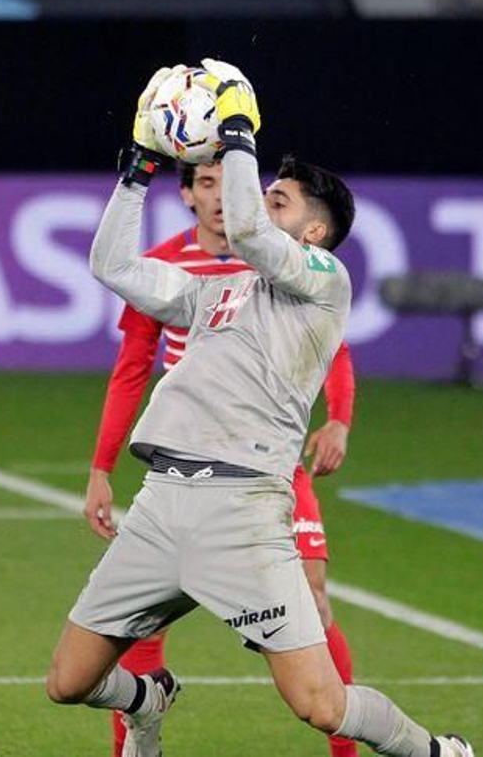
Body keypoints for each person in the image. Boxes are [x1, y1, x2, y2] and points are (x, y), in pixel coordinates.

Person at [44, 60, 473, 757]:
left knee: (320, 703)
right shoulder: (217, 292)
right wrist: (138, 168)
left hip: (242, 514)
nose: (255, 202)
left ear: (312, 235)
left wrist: (239, 128)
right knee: (67, 681)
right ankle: (148, 700)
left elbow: (245, 228)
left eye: (279, 199)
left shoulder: (325, 284)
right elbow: (111, 266)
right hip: (159, 506)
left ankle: (435, 752)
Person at [84, 159, 360, 757]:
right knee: (142, 621)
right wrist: (102, 466)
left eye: (225, 182)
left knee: (312, 600)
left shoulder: (290, 266)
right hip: (188, 462)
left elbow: (332, 349)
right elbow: (132, 364)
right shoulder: (180, 268)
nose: (224, 197)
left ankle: (349, 747)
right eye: (205, 183)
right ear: (185, 194)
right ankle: (136, 739)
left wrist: (338, 416)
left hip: (267, 463)